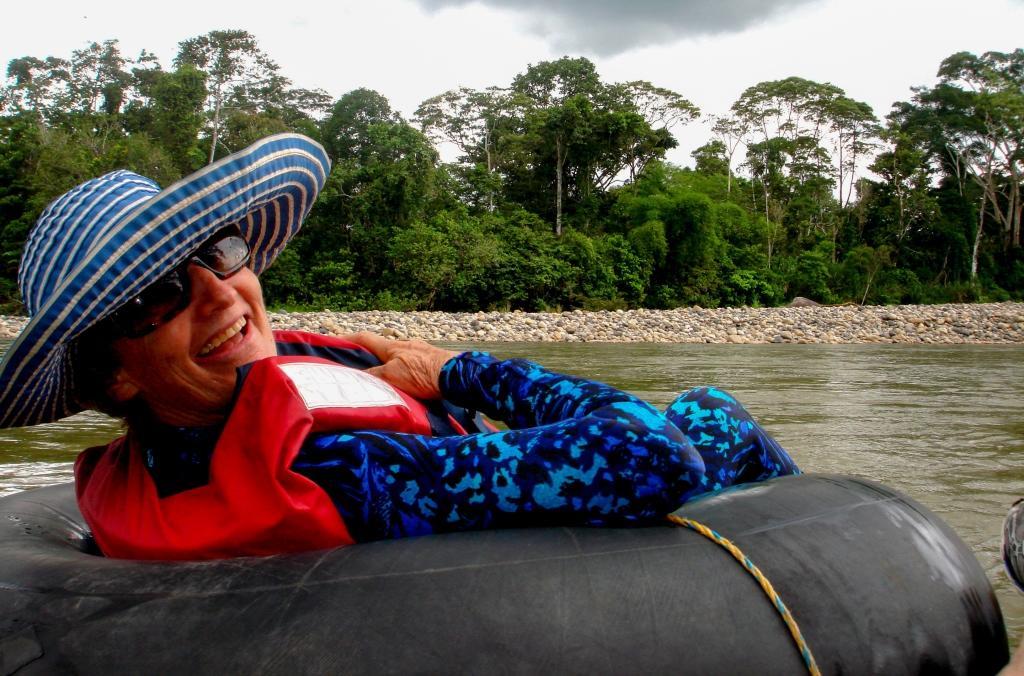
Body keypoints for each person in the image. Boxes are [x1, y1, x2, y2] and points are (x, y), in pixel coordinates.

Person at [0, 133, 800, 560]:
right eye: (153, 295)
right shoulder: (341, 470)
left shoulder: (159, 465)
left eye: (219, 251)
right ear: (115, 376)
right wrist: (460, 369)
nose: (217, 291)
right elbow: (654, 454)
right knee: (706, 412)